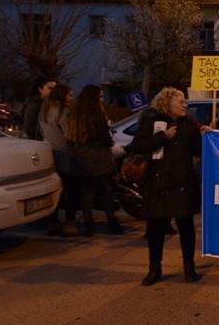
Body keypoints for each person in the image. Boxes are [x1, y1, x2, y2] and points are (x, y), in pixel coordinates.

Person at [131, 87, 209, 285]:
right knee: (156, 229)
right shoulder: (151, 122)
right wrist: (162, 138)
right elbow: (137, 146)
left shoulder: (189, 126)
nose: (185, 104)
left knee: (186, 227)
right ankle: (154, 268)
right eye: (180, 100)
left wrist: (207, 137)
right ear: (167, 103)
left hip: (183, 184)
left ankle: (189, 267)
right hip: (158, 185)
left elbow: (199, 152)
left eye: (185, 101)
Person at [66, 85, 122, 235]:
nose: (102, 100)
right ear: (94, 98)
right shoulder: (96, 113)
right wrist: (109, 142)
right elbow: (104, 135)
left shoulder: (76, 113)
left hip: (82, 156)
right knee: (106, 191)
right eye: (100, 97)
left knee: (87, 192)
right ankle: (112, 222)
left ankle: (89, 225)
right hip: (99, 155)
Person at [39, 84, 76, 236]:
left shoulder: (45, 110)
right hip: (64, 153)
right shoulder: (64, 111)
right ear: (63, 96)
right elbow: (68, 133)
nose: (72, 98)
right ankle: (69, 223)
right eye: (70, 95)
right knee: (70, 190)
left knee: (55, 190)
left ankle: (52, 222)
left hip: (49, 151)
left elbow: (41, 130)